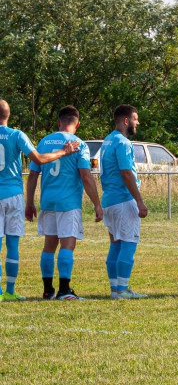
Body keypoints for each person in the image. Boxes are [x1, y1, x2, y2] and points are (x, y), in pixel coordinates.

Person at [0, 100, 79, 300]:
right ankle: (10, 291)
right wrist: (64, 151)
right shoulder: (17, 135)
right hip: (13, 194)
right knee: (13, 245)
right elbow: (39, 159)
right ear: (8, 115)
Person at [25, 105, 103, 300]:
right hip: (68, 203)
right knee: (68, 244)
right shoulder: (78, 144)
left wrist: (30, 202)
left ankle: (47, 290)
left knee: (49, 246)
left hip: (48, 201)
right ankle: (64, 290)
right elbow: (86, 176)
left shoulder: (43, 142)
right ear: (77, 124)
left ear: (59, 122)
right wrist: (97, 204)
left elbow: (33, 174)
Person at [99, 104, 148, 299]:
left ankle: (115, 288)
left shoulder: (107, 141)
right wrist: (140, 201)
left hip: (109, 200)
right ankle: (122, 289)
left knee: (116, 244)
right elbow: (126, 173)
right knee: (128, 243)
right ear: (126, 121)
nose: (138, 122)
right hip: (122, 200)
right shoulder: (123, 143)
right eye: (135, 119)